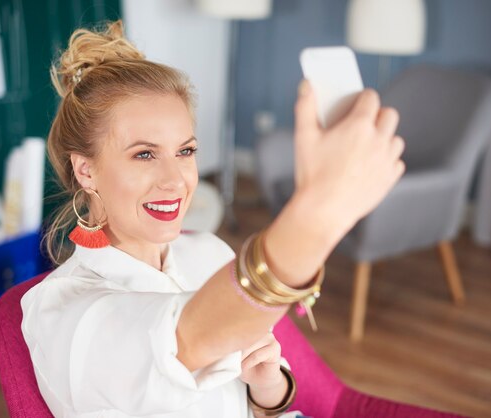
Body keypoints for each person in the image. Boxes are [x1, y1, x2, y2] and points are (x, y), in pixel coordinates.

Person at [21, 20, 405, 418]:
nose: (176, 181)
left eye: (185, 151)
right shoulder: (62, 310)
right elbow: (184, 342)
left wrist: (268, 386)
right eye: (144, 154)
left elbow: (261, 393)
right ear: (86, 171)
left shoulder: (207, 251)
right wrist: (321, 211)